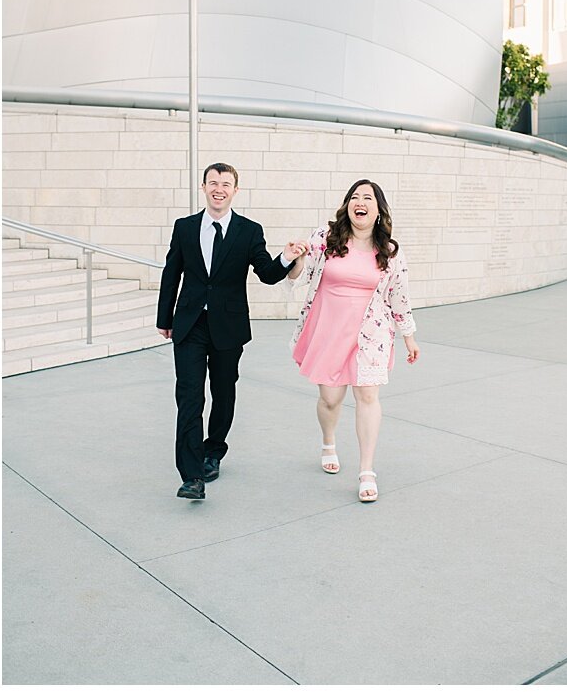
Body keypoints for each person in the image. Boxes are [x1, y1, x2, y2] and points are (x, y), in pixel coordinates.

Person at [157, 162, 303, 500]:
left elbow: (266, 273)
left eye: (225, 183)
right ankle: (192, 475)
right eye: (213, 182)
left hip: (228, 327)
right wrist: (165, 318)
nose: (218, 188)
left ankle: (213, 450)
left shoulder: (248, 231)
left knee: (223, 394)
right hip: (190, 324)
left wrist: (286, 257)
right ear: (204, 187)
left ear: (235, 190)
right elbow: (171, 273)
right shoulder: (185, 227)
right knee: (190, 396)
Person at [287, 179, 420, 503]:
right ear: (348, 205)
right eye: (355, 197)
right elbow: (298, 276)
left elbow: (398, 296)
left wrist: (409, 337)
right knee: (331, 400)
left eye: (368, 198)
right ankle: (329, 441)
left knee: (368, 397)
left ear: (378, 210)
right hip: (329, 329)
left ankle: (366, 471)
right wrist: (295, 258)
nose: (360, 202)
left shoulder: (389, 251)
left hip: (371, 333)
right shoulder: (326, 237)